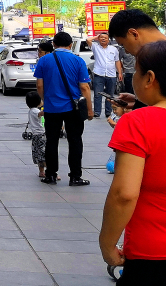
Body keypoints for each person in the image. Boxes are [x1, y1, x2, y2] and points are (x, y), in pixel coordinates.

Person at [94, 40, 166, 286]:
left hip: (153, 258)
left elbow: (124, 194)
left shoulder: (137, 123)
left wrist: (107, 244)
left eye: (133, 71)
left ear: (149, 78)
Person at [33, 31, 93, 186]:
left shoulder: (44, 60)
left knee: (51, 141)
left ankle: (51, 175)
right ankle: (75, 176)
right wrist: (89, 108)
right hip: (73, 108)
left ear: (53, 44)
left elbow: (39, 85)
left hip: (52, 108)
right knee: (75, 141)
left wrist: (46, 101)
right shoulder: (77, 61)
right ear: (70, 44)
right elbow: (85, 87)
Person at [91, 32, 123, 120]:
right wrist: (96, 37)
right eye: (101, 38)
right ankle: (97, 112)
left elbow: (117, 61)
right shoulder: (95, 47)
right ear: (99, 39)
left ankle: (108, 112)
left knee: (110, 95)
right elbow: (88, 40)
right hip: (99, 74)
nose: (103, 39)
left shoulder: (114, 49)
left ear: (108, 40)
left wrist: (119, 73)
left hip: (111, 74)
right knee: (97, 94)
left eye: (105, 38)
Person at [25, 90, 47, 179]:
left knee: (38, 154)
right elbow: (41, 114)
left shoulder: (31, 110)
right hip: (41, 135)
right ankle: (50, 171)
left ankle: (41, 171)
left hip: (35, 135)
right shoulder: (35, 111)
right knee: (44, 153)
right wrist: (48, 107)